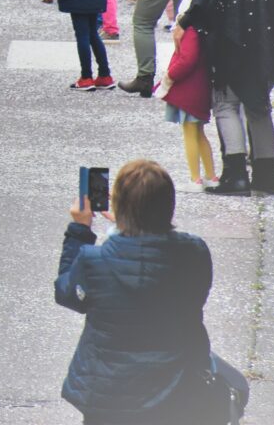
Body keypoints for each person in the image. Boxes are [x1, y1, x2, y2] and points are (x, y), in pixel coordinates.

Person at [56, 159, 246, 423]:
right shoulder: (194, 253)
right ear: (169, 205)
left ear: (118, 206)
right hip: (176, 391)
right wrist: (128, 227)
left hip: (108, 397)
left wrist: (81, 230)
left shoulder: (93, 261)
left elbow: (66, 292)